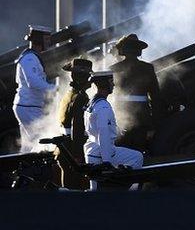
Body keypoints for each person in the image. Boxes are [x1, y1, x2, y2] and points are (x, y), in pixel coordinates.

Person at [84, 71, 144, 190]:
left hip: (91, 150)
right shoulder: (103, 106)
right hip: (103, 152)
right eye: (111, 81)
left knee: (95, 191)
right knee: (137, 157)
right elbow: (103, 133)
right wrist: (107, 161)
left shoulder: (93, 102)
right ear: (104, 84)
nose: (114, 85)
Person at [109, 34, 161, 151]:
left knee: (121, 155)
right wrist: (153, 126)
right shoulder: (147, 68)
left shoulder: (113, 69)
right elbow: (156, 98)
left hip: (119, 120)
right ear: (139, 50)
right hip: (142, 121)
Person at [13, 25, 57, 151]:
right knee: (42, 142)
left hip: (29, 106)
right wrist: (54, 89)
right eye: (47, 39)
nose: (49, 42)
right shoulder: (29, 58)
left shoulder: (32, 57)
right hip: (29, 107)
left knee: (28, 146)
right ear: (40, 40)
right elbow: (33, 82)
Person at [56, 58, 93, 190]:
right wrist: (77, 154)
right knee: (74, 191)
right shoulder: (81, 97)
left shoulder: (69, 93)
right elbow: (77, 127)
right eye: (87, 76)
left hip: (65, 147)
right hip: (73, 149)